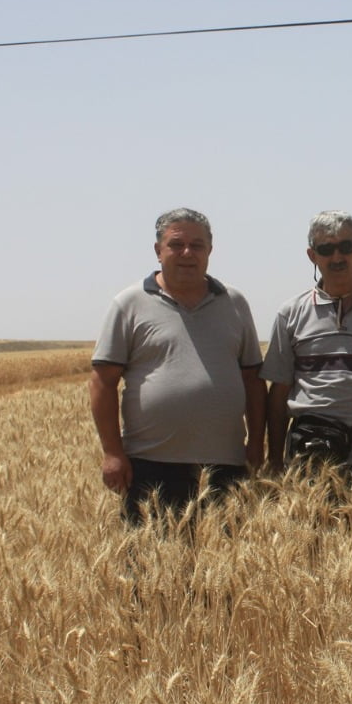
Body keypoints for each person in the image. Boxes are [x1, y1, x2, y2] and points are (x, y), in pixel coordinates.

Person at [89, 208, 265, 530]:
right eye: (176, 244)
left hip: (225, 465)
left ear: (210, 251)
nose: (187, 253)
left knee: (224, 571)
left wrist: (255, 444)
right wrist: (113, 453)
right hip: (150, 466)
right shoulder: (128, 304)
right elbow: (102, 381)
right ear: (158, 251)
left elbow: (253, 381)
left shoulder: (234, 303)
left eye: (197, 245)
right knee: (147, 572)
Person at [262, 211, 352, 573]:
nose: (337, 257)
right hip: (311, 450)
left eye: (346, 247)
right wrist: (274, 459)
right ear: (312, 255)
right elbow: (278, 391)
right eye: (326, 249)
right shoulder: (290, 314)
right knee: (316, 556)